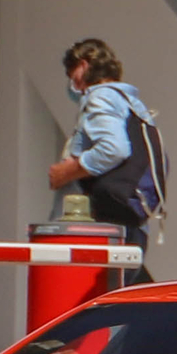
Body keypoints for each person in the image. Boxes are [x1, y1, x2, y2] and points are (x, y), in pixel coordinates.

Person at [46, 39, 160, 270]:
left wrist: (68, 171)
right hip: (126, 228)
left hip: (94, 231)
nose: (72, 82)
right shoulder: (132, 105)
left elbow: (114, 148)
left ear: (84, 65)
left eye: (72, 72)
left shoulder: (102, 96)